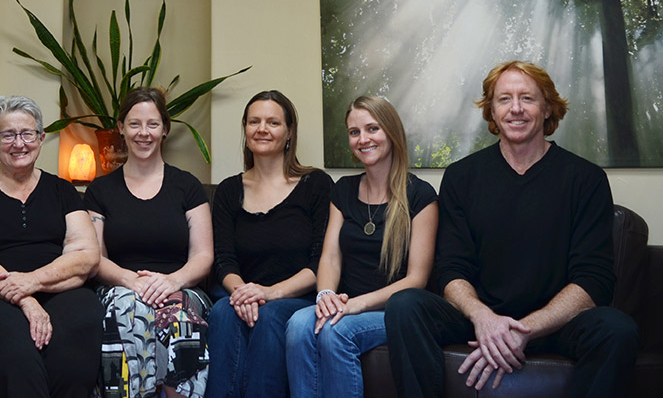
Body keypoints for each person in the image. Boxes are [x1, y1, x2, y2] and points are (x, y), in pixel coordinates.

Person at [385, 61, 639, 397]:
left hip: (555, 324)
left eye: (527, 98)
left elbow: (593, 279)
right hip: (478, 318)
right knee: (405, 305)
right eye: (504, 99)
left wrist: (524, 330)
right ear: (491, 110)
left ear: (547, 108)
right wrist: (484, 319)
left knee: (618, 329)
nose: (515, 108)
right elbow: (452, 269)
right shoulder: (461, 177)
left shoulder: (586, 179)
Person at [0, 95, 103, 398]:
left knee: (77, 329)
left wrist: (33, 281)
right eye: (8, 135)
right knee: (15, 350)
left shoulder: (62, 190)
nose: (19, 143)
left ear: (40, 139)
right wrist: (25, 298)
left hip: (57, 289)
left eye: (27, 134)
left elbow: (86, 255)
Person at [283, 96, 437, 397]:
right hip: (345, 303)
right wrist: (326, 296)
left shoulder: (420, 195)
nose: (363, 139)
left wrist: (357, 304)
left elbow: (417, 279)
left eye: (372, 129)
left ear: (391, 132)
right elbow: (330, 257)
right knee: (298, 325)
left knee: (335, 331)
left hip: (391, 312)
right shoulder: (343, 189)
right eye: (354, 132)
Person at [86, 88, 213, 398]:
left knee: (179, 318)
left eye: (152, 124)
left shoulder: (187, 186)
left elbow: (203, 255)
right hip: (119, 288)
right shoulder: (100, 190)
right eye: (134, 124)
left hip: (180, 287)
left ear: (164, 129)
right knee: (127, 308)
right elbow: (94, 257)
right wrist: (132, 281)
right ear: (121, 127)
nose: (144, 133)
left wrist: (171, 281)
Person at [205, 90, 333, 398]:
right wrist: (245, 293)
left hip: (298, 297)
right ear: (245, 129)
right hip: (244, 296)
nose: (262, 129)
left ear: (289, 133)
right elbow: (223, 260)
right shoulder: (228, 190)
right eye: (254, 122)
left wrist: (270, 293)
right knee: (222, 311)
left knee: (270, 315)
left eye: (273, 122)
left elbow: (321, 261)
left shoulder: (315, 185)